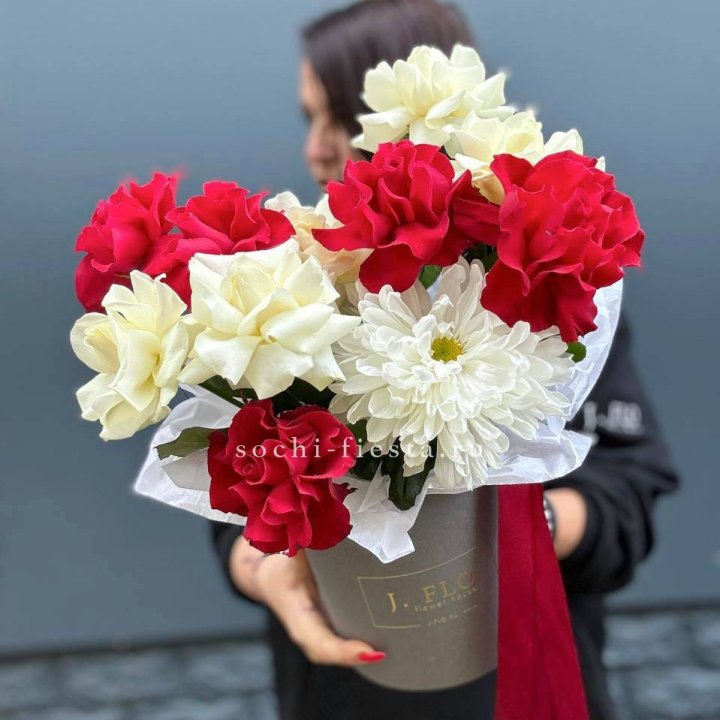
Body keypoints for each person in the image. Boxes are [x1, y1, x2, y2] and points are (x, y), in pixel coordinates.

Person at [211, 2, 680, 718]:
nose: (314, 150)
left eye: (335, 118)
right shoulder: (287, 290)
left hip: (521, 685)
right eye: (308, 119)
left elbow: (630, 489)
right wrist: (263, 568)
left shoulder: (546, 293)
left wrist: (518, 522)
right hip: (341, 688)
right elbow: (228, 481)